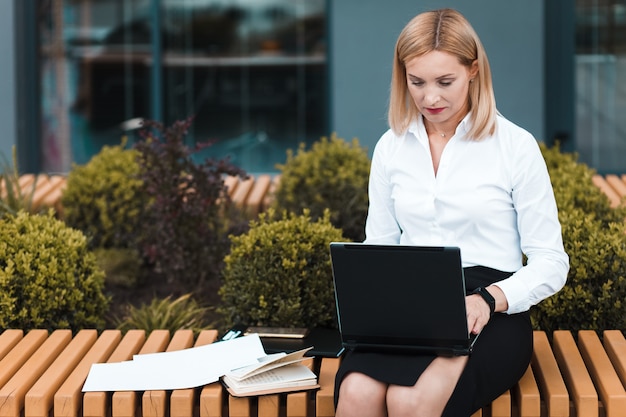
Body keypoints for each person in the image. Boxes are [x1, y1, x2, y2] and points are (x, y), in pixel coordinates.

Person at [334, 8, 569, 417]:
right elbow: (381, 247)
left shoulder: (515, 147)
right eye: (416, 82)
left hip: (492, 307)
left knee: (409, 401)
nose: (429, 98)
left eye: (445, 82)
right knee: (357, 395)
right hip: (407, 307)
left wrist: (487, 300)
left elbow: (551, 262)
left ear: (474, 70)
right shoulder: (391, 146)